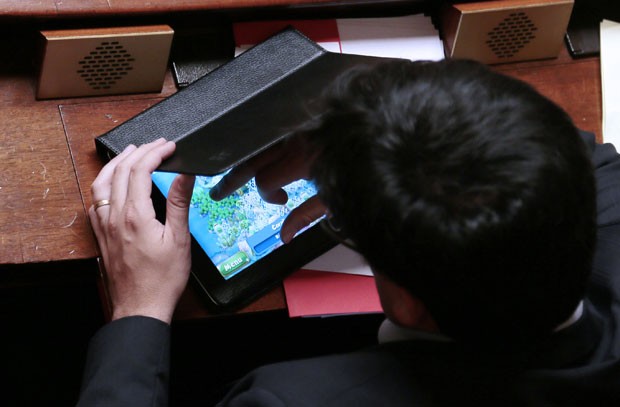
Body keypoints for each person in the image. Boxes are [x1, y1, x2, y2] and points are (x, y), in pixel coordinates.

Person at [77, 59, 620, 406]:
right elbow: (567, 149)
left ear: (409, 302)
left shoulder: (288, 399)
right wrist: (368, 134)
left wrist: (138, 313)